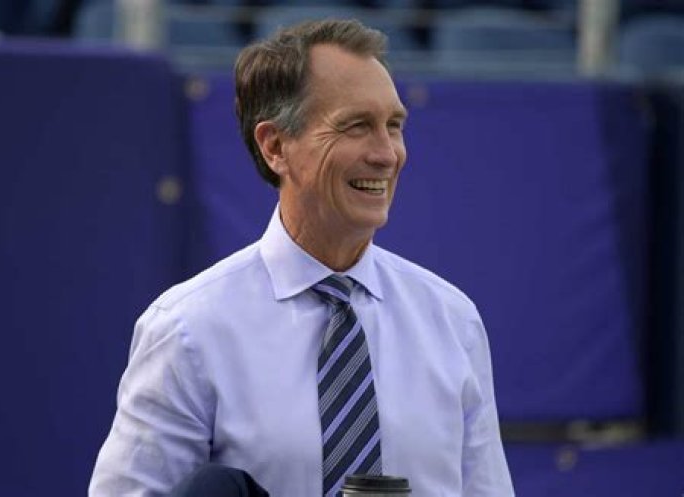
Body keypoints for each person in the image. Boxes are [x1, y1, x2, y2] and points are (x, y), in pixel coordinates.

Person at [89, 19, 514, 497]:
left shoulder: (453, 321)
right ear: (275, 146)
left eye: (393, 126)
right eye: (356, 126)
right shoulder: (188, 329)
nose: (387, 154)